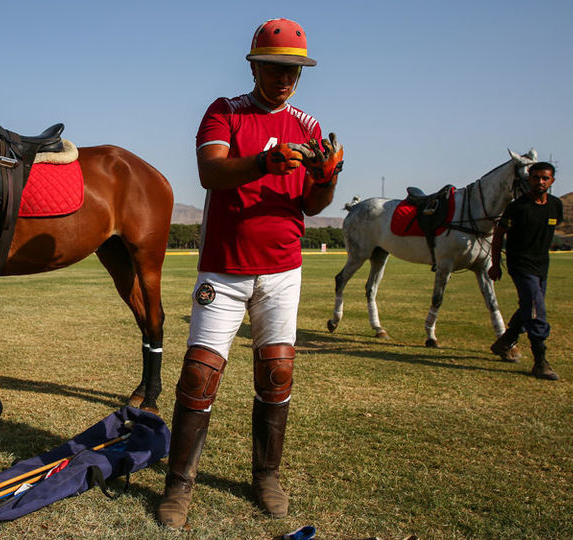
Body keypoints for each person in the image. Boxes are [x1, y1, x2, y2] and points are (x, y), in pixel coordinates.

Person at [156, 19, 343, 528]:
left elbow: (312, 201)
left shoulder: (308, 126)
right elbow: (210, 172)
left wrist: (326, 178)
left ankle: (266, 476)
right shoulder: (225, 112)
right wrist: (263, 163)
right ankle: (179, 486)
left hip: (283, 268)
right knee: (199, 375)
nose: (285, 79)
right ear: (254, 65)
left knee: (278, 371)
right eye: (276, 68)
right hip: (226, 265)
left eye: (294, 71)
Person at [488, 162, 562, 380]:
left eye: (545, 178)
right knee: (536, 309)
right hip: (520, 264)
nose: (540, 181)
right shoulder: (517, 207)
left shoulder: (556, 205)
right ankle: (540, 362)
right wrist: (495, 264)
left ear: (552, 181)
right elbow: (498, 234)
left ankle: (504, 342)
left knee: (528, 306)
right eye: (536, 177)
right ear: (529, 179)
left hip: (542, 265)